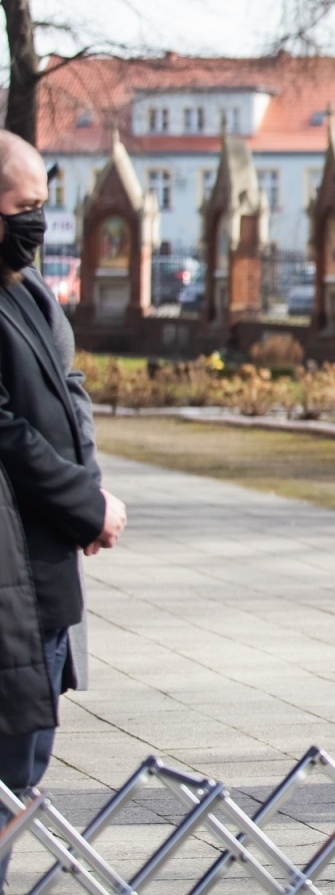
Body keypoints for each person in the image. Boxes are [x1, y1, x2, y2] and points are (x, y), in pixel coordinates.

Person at [0, 130, 127, 890]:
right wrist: (88, 503)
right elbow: (8, 430)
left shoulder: (29, 287)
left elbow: (66, 396)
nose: (39, 222)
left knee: (28, 762)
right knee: (11, 770)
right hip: (11, 571)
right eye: (25, 207)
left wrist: (93, 498)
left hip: (45, 566)